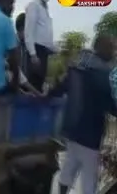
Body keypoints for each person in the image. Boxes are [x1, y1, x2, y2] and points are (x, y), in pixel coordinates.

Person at [48, 33, 117, 194]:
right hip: (90, 136)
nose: (114, 52)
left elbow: (60, 87)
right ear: (101, 49)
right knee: (89, 180)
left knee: (69, 168)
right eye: (112, 48)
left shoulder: (77, 67)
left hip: (72, 131)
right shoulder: (102, 75)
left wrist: (46, 95)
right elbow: (110, 106)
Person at [24, 0, 56, 92]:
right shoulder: (34, 6)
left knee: (40, 83)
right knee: (34, 84)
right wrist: (33, 54)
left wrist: (55, 48)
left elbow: (45, 33)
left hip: (44, 52)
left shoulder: (45, 8)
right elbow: (29, 32)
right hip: (36, 51)